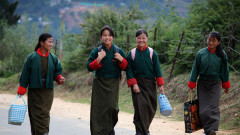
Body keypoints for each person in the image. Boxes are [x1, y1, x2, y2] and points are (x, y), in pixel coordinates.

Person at [17, 33, 65, 135]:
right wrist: (22, 87)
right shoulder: (32, 57)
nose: (51, 44)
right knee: (34, 114)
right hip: (34, 91)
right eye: (49, 42)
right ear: (42, 43)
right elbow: (25, 73)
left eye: (52, 42)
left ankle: (44, 132)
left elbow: (58, 71)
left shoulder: (53, 58)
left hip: (48, 90)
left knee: (44, 114)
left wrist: (59, 78)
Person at [86, 25, 128, 135]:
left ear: (113, 37)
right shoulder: (97, 51)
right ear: (101, 37)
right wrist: (99, 59)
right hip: (99, 84)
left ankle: (109, 127)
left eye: (109, 35)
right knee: (98, 110)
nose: (107, 38)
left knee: (112, 108)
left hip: (113, 84)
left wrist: (121, 59)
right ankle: (101, 132)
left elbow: (126, 67)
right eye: (104, 35)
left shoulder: (118, 51)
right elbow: (89, 67)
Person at [187, 31, 231, 135]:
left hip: (215, 84)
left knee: (213, 107)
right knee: (203, 110)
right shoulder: (201, 53)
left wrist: (226, 85)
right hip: (202, 84)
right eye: (209, 40)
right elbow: (195, 69)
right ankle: (208, 131)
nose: (210, 42)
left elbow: (225, 70)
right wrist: (192, 84)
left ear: (218, 42)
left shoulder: (221, 55)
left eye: (213, 41)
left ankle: (212, 130)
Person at [126, 29, 165, 135]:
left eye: (143, 38)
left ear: (147, 38)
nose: (141, 40)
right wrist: (134, 84)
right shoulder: (132, 54)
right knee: (139, 108)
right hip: (137, 85)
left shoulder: (152, 53)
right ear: (136, 39)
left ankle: (145, 129)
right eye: (139, 38)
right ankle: (140, 132)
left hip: (150, 85)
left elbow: (157, 69)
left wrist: (160, 84)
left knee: (150, 108)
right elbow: (129, 71)